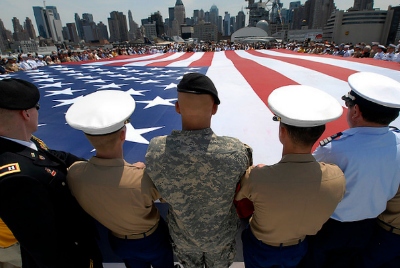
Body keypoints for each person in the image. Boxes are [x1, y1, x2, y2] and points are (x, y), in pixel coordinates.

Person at [145, 73, 252, 268]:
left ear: (177, 108)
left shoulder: (156, 151)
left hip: (184, 239)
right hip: (220, 240)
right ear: (214, 109)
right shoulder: (237, 151)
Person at [236, 85, 346, 268]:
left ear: (283, 131)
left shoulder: (257, 177)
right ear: (319, 133)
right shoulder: (337, 176)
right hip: (299, 248)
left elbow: (240, 197)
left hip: (260, 248)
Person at [0, 78, 103, 268]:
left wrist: (100, 165)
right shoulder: (18, 178)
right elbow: (44, 247)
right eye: (36, 107)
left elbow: (52, 156)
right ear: (26, 114)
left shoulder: (22, 141)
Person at [65, 90, 174, 268]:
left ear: (87, 136)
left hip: (118, 242)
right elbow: (168, 196)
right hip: (153, 240)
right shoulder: (142, 178)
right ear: (123, 135)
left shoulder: (74, 174)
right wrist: (141, 171)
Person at [302, 72, 400, 267]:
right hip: (370, 226)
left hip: (331, 227)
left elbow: (306, 178)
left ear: (355, 112)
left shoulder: (335, 148)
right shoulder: (397, 142)